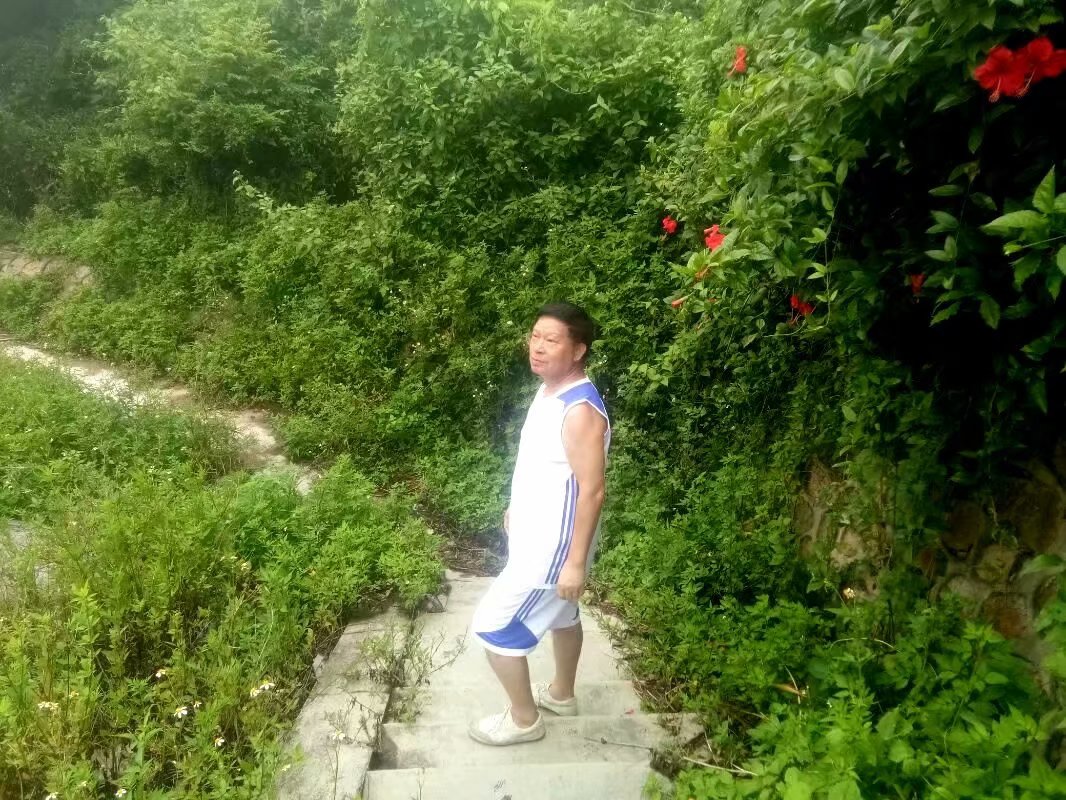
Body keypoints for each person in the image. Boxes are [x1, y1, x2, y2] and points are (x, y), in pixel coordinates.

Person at [468, 301, 610, 746]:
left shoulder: (579, 410)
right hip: (539, 534)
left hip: (554, 549)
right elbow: (542, 464)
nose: (538, 347)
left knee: (493, 626)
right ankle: (562, 694)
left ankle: (524, 720)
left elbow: (592, 490)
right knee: (564, 614)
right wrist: (518, 505)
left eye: (551, 340)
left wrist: (575, 563)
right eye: (535, 336)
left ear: (578, 350)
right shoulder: (549, 391)